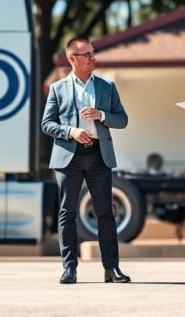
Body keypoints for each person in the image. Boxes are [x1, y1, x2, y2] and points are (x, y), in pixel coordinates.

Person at [40, 37, 131, 285]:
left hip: (99, 155)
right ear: (72, 59)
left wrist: (101, 115)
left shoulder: (107, 87)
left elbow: (122, 119)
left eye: (93, 53)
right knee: (66, 213)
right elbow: (46, 124)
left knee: (106, 213)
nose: (93, 57)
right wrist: (71, 132)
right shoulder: (58, 89)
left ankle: (111, 269)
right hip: (68, 156)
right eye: (87, 54)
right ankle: (69, 269)